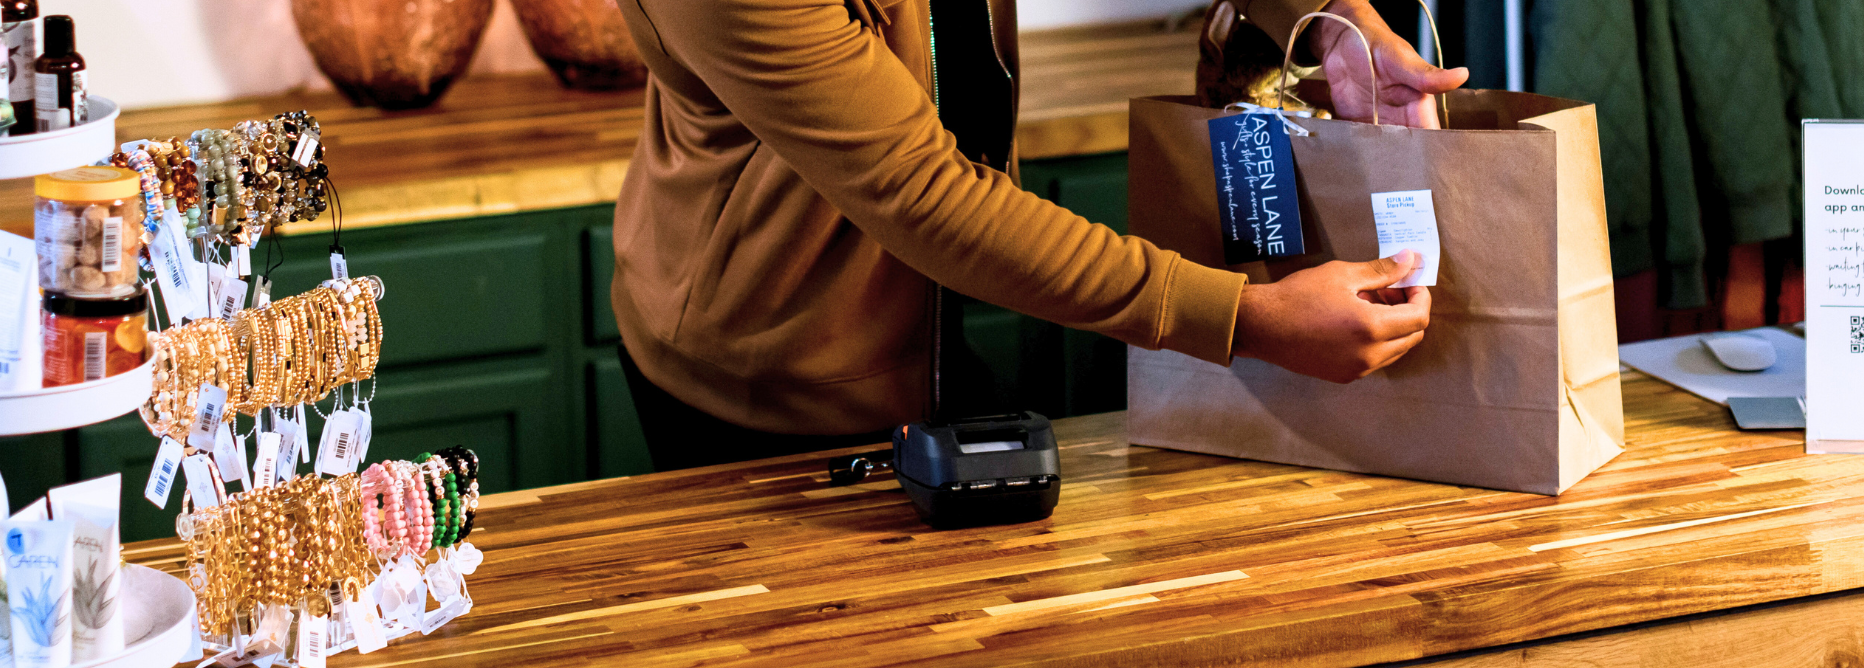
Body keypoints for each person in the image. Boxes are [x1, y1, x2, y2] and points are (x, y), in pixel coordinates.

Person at [609, 0, 1468, 470]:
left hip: (931, 338)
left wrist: (1323, 20)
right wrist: (1244, 318)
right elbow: (925, 196)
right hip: (772, 376)